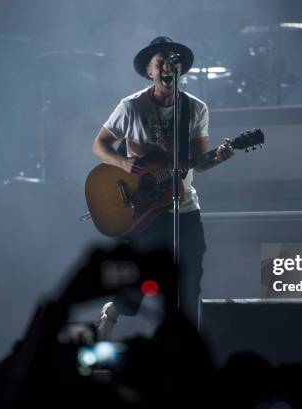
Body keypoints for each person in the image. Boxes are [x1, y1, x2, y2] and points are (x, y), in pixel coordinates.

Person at [92, 36, 234, 329]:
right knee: (142, 280)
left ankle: (186, 350)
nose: (169, 67)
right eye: (162, 62)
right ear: (150, 71)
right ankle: (114, 311)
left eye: (174, 62)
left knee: (190, 281)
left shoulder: (195, 109)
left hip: (184, 206)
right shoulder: (131, 106)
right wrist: (123, 162)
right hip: (144, 210)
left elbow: (199, 161)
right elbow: (100, 144)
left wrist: (218, 157)